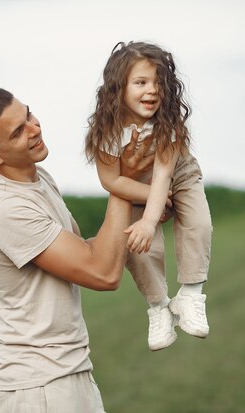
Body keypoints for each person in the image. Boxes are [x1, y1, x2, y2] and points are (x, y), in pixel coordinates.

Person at [0, 86, 153, 413]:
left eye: (29, 115)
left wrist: (143, 210)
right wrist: (121, 182)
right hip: (36, 391)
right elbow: (102, 273)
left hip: (69, 373)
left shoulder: (39, 178)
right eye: (19, 131)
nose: (35, 129)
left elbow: (86, 253)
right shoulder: (4, 207)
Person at [85, 41, 213, 351]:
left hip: (176, 176)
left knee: (199, 223)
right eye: (141, 83)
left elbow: (164, 176)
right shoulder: (108, 130)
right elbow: (110, 180)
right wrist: (147, 214)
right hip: (132, 183)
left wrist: (156, 211)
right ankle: (158, 308)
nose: (152, 91)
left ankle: (191, 295)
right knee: (136, 242)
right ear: (119, 88)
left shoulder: (167, 125)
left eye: (159, 83)